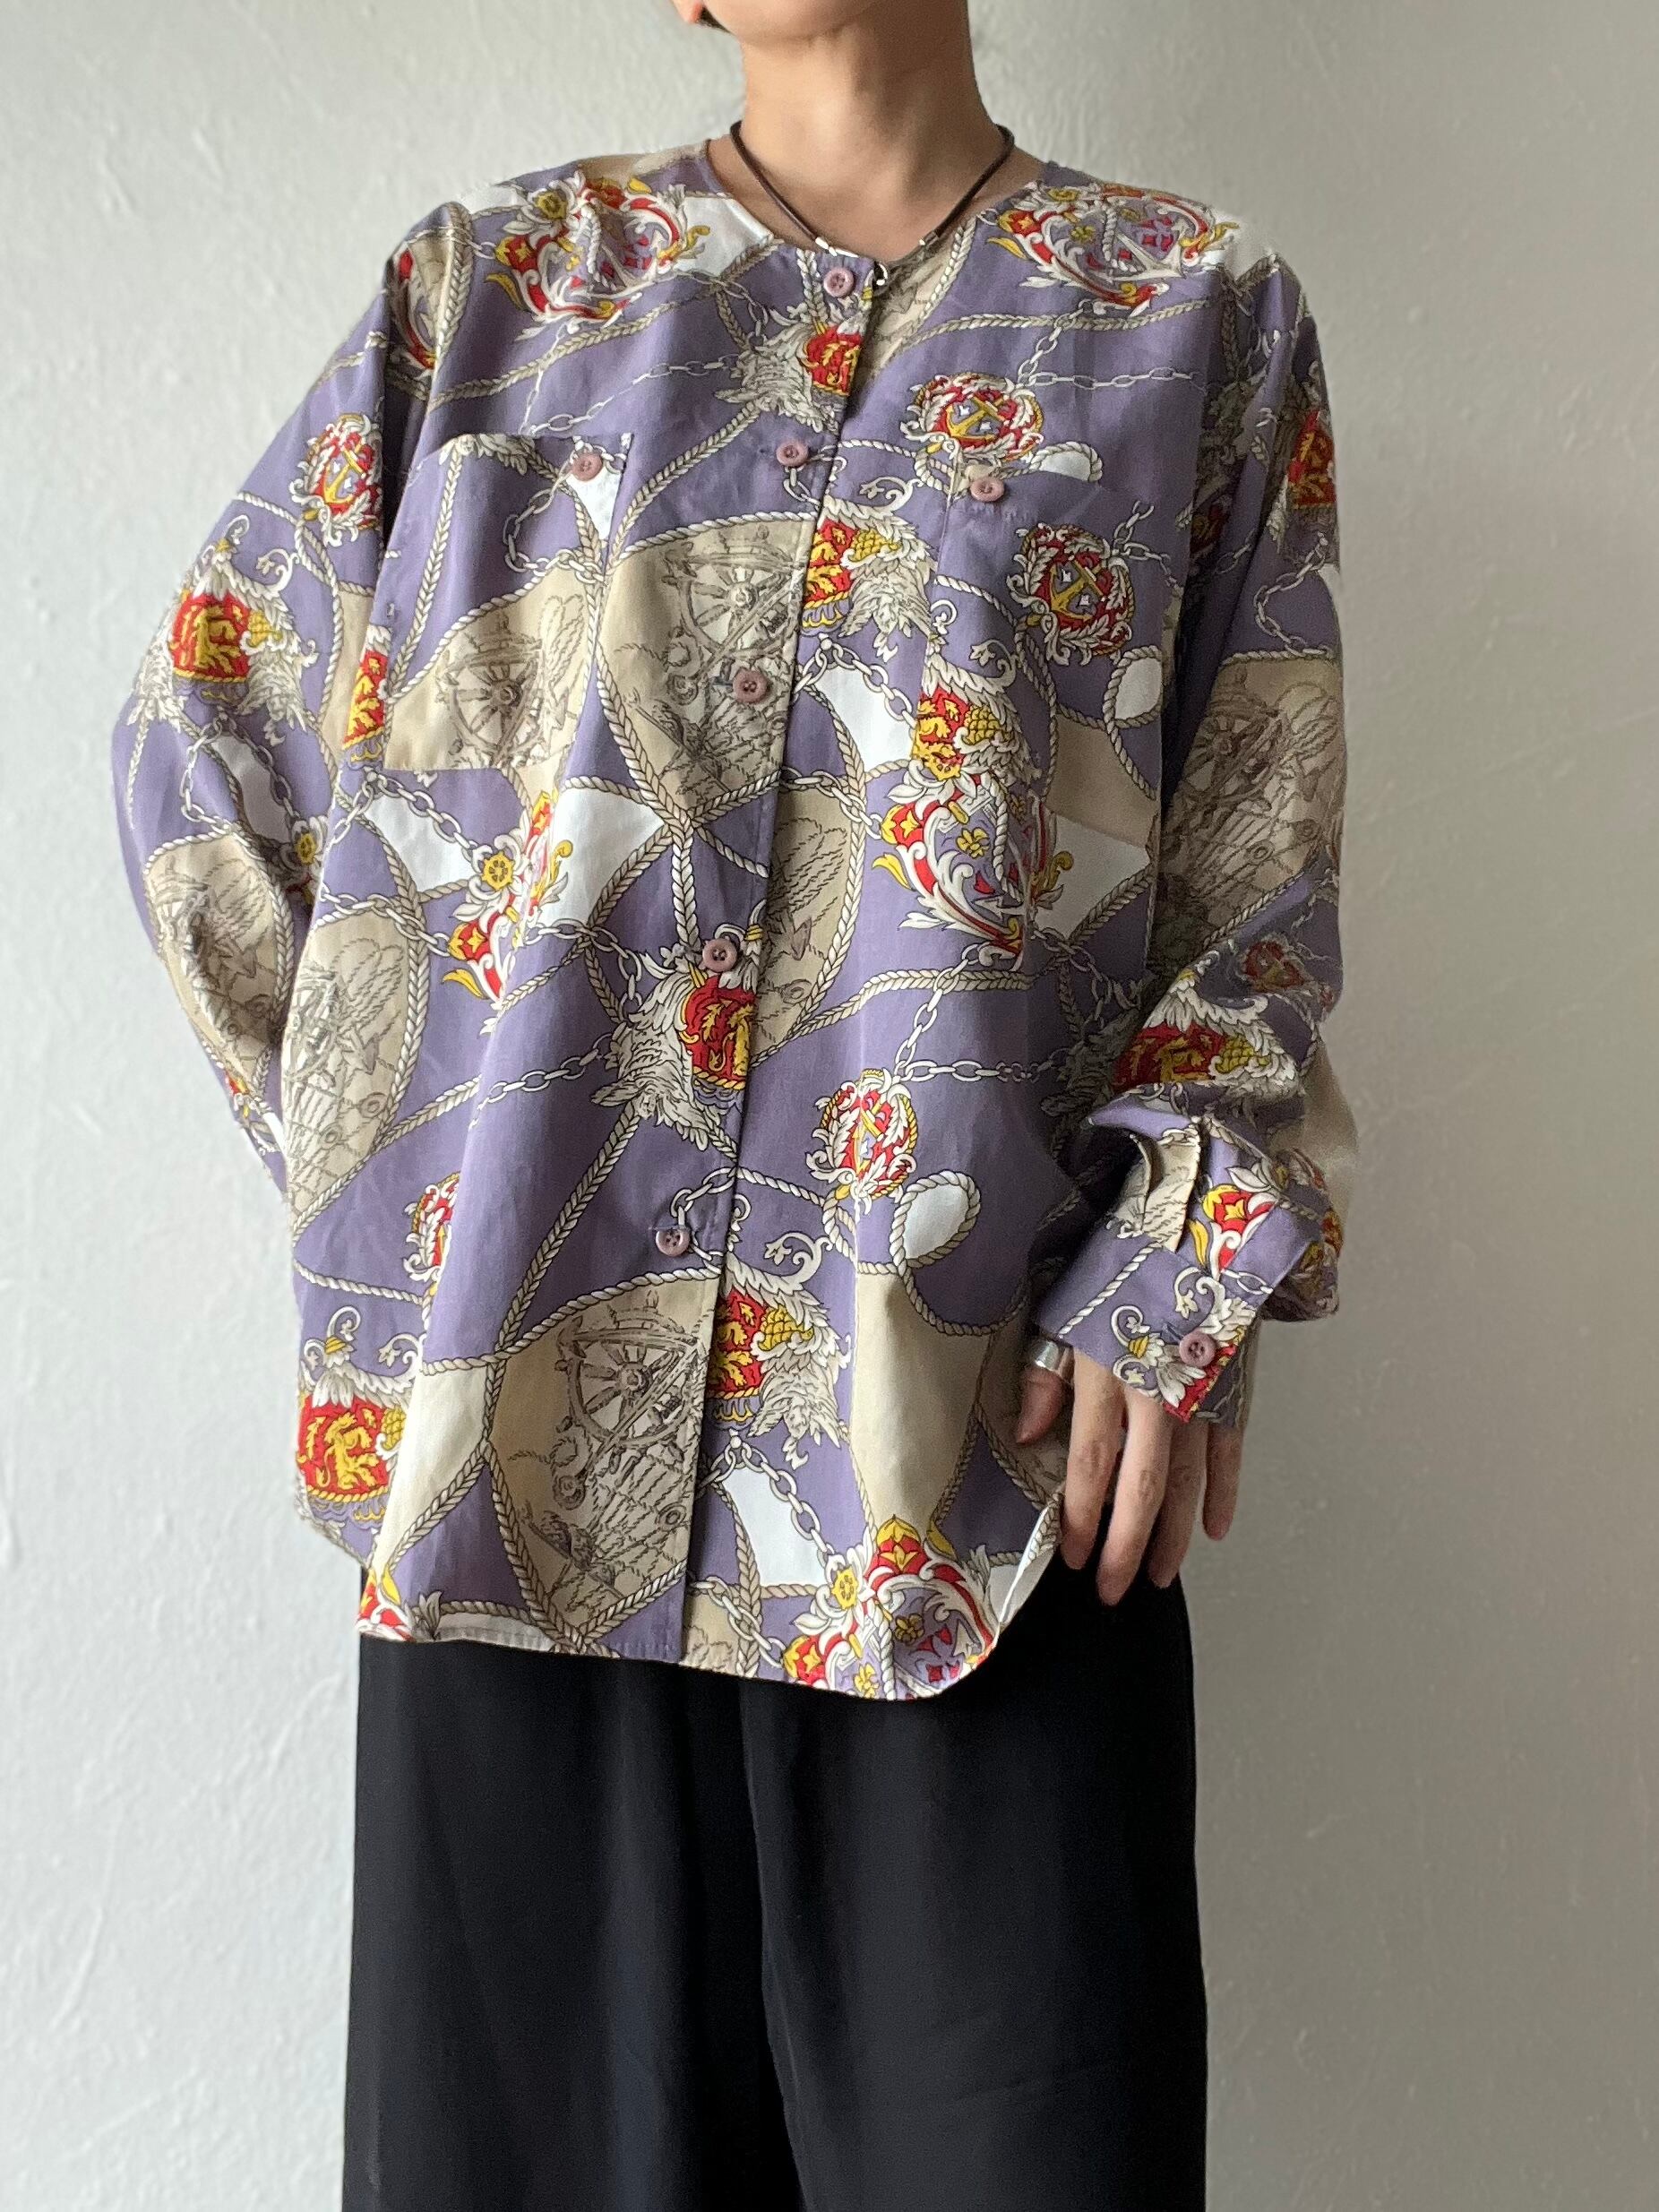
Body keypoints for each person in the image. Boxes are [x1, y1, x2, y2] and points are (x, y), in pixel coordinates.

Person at [107, 0, 1356, 2201]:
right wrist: (412, 1183)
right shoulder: (494, 297)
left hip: (976, 1478)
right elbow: (202, 750)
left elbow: (1250, 874)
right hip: (512, 1486)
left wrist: (1171, 1269)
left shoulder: (1188, 316)